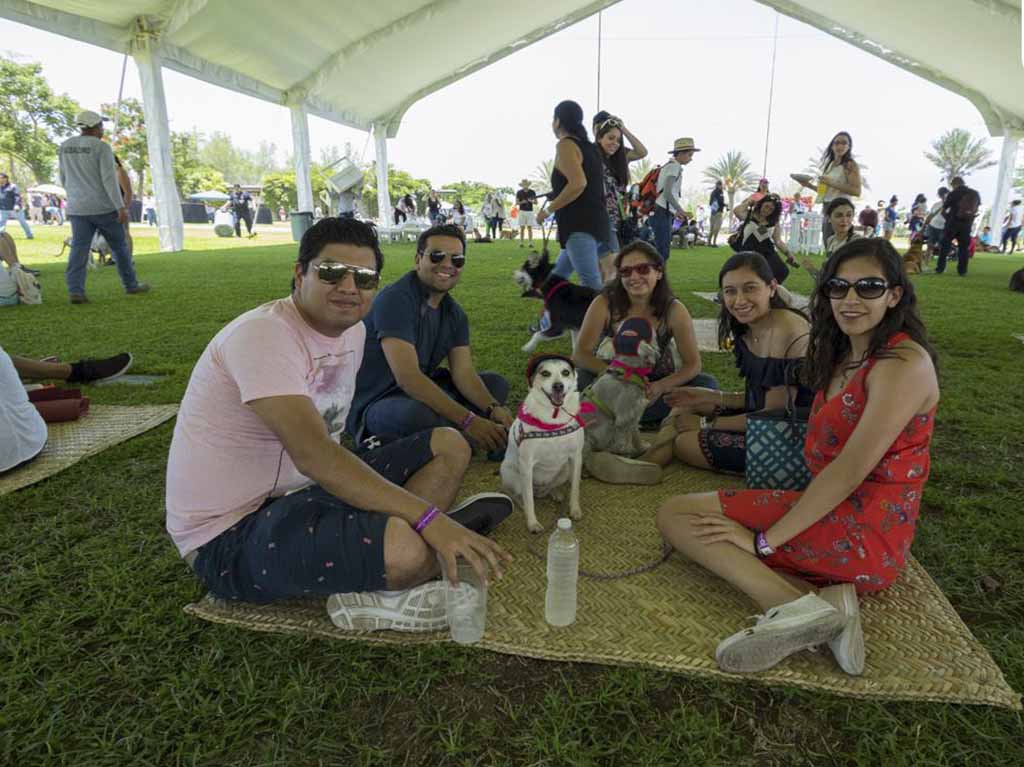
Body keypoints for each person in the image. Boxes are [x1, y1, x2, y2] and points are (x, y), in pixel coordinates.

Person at [165, 217, 512, 627]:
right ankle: (418, 549)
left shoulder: (352, 333)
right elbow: (316, 456)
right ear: (299, 273)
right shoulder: (264, 335)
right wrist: (427, 517)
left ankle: (419, 535)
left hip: (305, 493)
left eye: (364, 278)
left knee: (449, 442)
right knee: (405, 549)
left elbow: (328, 456)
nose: (349, 287)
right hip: (229, 537)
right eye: (331, 272)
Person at [657, 237, 939, 676]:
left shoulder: (903, 363)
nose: (850, 299)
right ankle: (824, 607)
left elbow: (847, 471)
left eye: (867, 287)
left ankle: (792, 609)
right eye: (838, 287)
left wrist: (762, 541)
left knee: (683, 517)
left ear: (895, 294)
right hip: (827, 505)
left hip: (864, 534)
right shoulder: (845, 354)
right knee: (678, 513)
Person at [346, 223, 513, 454]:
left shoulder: (454, 314)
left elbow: (463, 373)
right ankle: (459, 434)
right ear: (418, 260)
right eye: (437, 256)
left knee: (495, 385)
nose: (447, 265)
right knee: (415, 415)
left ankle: (452, 431)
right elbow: (408, 378)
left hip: (423, 390)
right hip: (378, 400)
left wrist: (494, 407)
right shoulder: (396, 299)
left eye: (457, 259)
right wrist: (469, 420)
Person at [642, 252, 812, 473]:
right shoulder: (748, 324)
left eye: (750, 288)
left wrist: (708, 424)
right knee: (685, 403)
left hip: (796, 434)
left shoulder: (784, 328)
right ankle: (655, 454)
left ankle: (654, 457)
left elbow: (774, 413)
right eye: (730, 291)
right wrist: (711, 396)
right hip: (768, 418)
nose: (739, 300)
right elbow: (759, 399)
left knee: (687, 443)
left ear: (771, 288)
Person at [574, 240, 718, 452]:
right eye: (626, 271)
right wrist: (617, 374)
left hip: (654, 390)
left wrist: (660, 387)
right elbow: (580, 354)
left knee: (707, 384)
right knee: (579, 377)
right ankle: (646, 419)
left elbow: (693, 364)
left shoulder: (674, 309)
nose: (634, 277)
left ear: (658, 272)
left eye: (643, 269)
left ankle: (627, 420)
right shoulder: (604, 303)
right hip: (610, 389)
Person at [58, 110, 149, 304]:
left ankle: (76, 290)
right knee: (120, 247)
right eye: (101, 125)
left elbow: (63, 177)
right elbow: (109, 180)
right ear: (96, 126)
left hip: (77, 208)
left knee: (79, 249)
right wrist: (121, 207)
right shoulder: (101, 147)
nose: (102, 129)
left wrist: (74, 197)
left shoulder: (65, 146)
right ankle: (131, 284)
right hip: (103, 207)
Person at [534, 100, 608, 292]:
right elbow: (588, 184)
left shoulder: (565, 145)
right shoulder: (590, 148)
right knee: (555, 279)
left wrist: (548, 210)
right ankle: (547, 322)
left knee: (591, 285)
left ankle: (605, 322)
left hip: (578, 225)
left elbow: (578, 183)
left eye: (553, 119)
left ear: (558, 121)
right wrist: (555, 194)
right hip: (595, 222)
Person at [591, 111, 648, 281]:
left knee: (599, 271)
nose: (615, 143)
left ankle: (596, 304)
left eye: (618, 139)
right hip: (599, 217)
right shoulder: (590, 155)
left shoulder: (620, 157)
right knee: (611, 269)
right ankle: (608, 305)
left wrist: (624, 129)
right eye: (610, 137)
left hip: (616, 219)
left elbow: (642, 152)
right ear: (597, 132)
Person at [794, 131, 862, 242]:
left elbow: (856, 191)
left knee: (840, 243)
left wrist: (831, 183)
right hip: (827, 206)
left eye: (844, 143)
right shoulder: (829, 164)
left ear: (849, 147)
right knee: (828, 241)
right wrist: (808, 185)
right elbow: (826, 191)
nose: (840, 146)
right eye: (837, 143)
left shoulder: (849, 164)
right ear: (832, 146)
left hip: (841, 208)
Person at [731, 193, 800, 287]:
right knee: (753, 275)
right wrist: (748, 202)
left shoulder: (774, 223)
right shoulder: (750, 215)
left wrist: (789, 254)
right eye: (766, 206)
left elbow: (778, 241)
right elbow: (736, 211)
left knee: (782, 271)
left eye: (771, 209)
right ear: (762, 203)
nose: (767, 210)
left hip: (766, 251)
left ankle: (767, 290)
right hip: (748, 251)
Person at [650, 138, 699, 263]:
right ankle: (658, 279)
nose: (691, 158)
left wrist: (676, 211)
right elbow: (667, 192)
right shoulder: (674, 167)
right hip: (662, 211)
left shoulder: (669, 166)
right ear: (681, 153)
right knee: (662, 251)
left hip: (662, 209)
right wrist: (680, 210)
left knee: (661, 249)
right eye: (689, 155)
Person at [801, 197, 863, 277]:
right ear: (829, 218)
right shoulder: (830, 240)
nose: (844, 220)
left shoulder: (856, 241)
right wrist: (811, 269)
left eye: (849, 215)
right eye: (839, 215)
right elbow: (826, 278)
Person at [936, 176, 981, 276]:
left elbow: (944, 210)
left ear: (955, 184)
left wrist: (948, 219)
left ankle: (940, 268)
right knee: (964, 248)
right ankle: (962, 271)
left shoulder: (953, 193)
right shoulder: (975, 193)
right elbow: (976, 209)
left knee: (945, 246)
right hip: (966, 225)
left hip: (952, 223)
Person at [0, 173, 34, 239]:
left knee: (22, 222)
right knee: (1, 223)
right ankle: (1, 236)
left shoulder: (13, 186)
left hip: (15, 209)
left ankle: (29, 235)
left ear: (5, 178)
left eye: (0, 178)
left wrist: (17, 205)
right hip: (4, 209)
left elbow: (17, 196)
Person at [922, 186, 949, 263]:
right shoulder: (936, 204)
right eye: (941, 195)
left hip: (943, 228)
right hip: (932, 226)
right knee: (929, 246)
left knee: (942, 247)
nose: (942, 196)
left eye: (943, 194)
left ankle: (941, 265)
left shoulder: (951, 205)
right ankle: (926, 263)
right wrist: (923, 227)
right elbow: (930, 216)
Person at [515, 180, 538, 248]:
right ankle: (521, 243)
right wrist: (522, 202)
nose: (525, 186)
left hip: (530, 211)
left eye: (526, 184)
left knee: (529, 227)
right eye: (523, 184)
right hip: (522, 211)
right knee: (522, 227)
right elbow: (517, 203)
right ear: (522, 185)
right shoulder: (519, 192)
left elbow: (536, 202)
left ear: (528, 185)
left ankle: (530, 243)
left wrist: (531, 201)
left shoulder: (532, 192)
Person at [708, 181, 727, 247]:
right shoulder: (719, 192)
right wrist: (725, 205)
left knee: (712, 228)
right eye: (721, 185)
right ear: (719, 185)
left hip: (713, 212)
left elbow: (710, 203)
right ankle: (714, 243)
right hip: (718, 212)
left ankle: (709, 242)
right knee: (716, 228)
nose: (722, 186)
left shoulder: (713, 192)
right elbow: (720, 202)